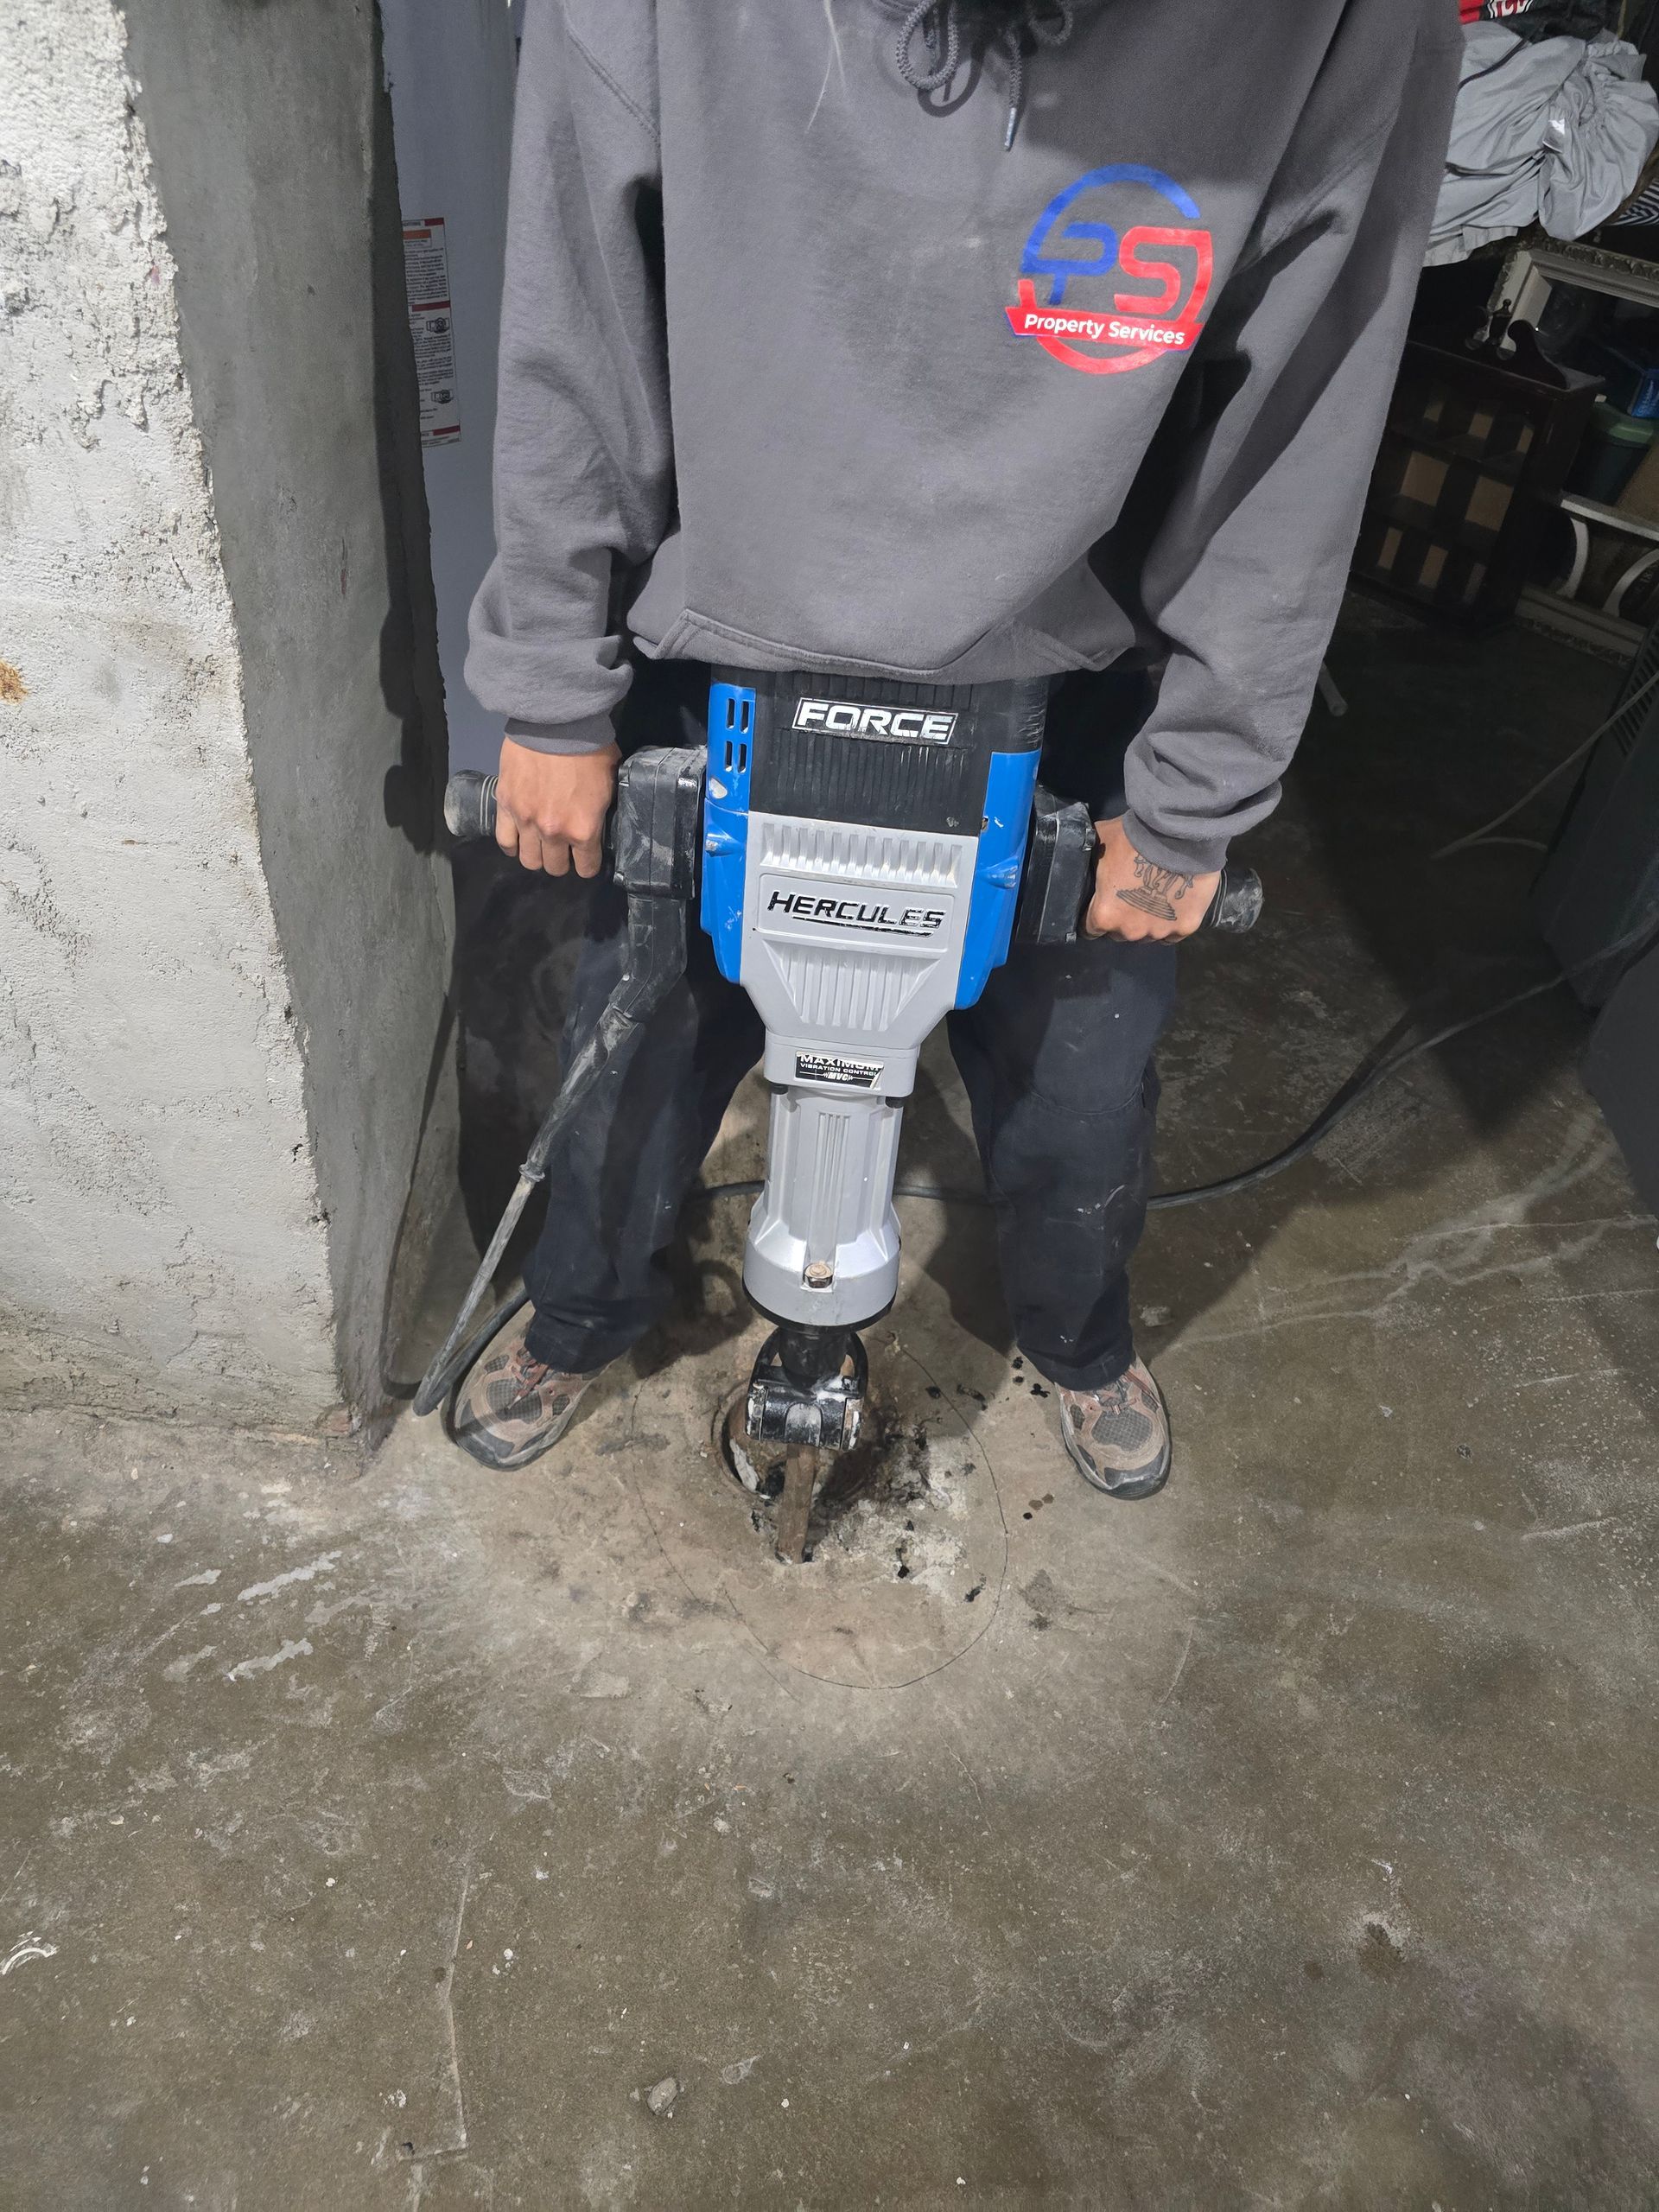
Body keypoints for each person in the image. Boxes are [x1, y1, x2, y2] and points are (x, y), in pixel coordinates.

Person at [453, 0, 1459, 1491]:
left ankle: (1076, 1334)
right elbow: (576, 300)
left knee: (1080, 1092)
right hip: (728, 631)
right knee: (633, 1051)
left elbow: (1311, 386)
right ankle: (587, 1309)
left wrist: (1196, 789)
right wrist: (551, 680)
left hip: (1069, 661)